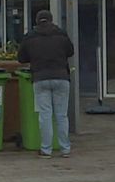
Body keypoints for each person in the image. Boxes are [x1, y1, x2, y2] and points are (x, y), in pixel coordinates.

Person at [17, 10, 75, 159]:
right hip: (61, 77)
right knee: (61, 115)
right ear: (51, 19)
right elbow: (70, 51)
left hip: (40, 78)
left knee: (45, 115)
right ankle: (65, 149)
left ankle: (46, 150)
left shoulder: (30, 36)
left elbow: (21, 58)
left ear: (37, 21)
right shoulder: (61, 34)